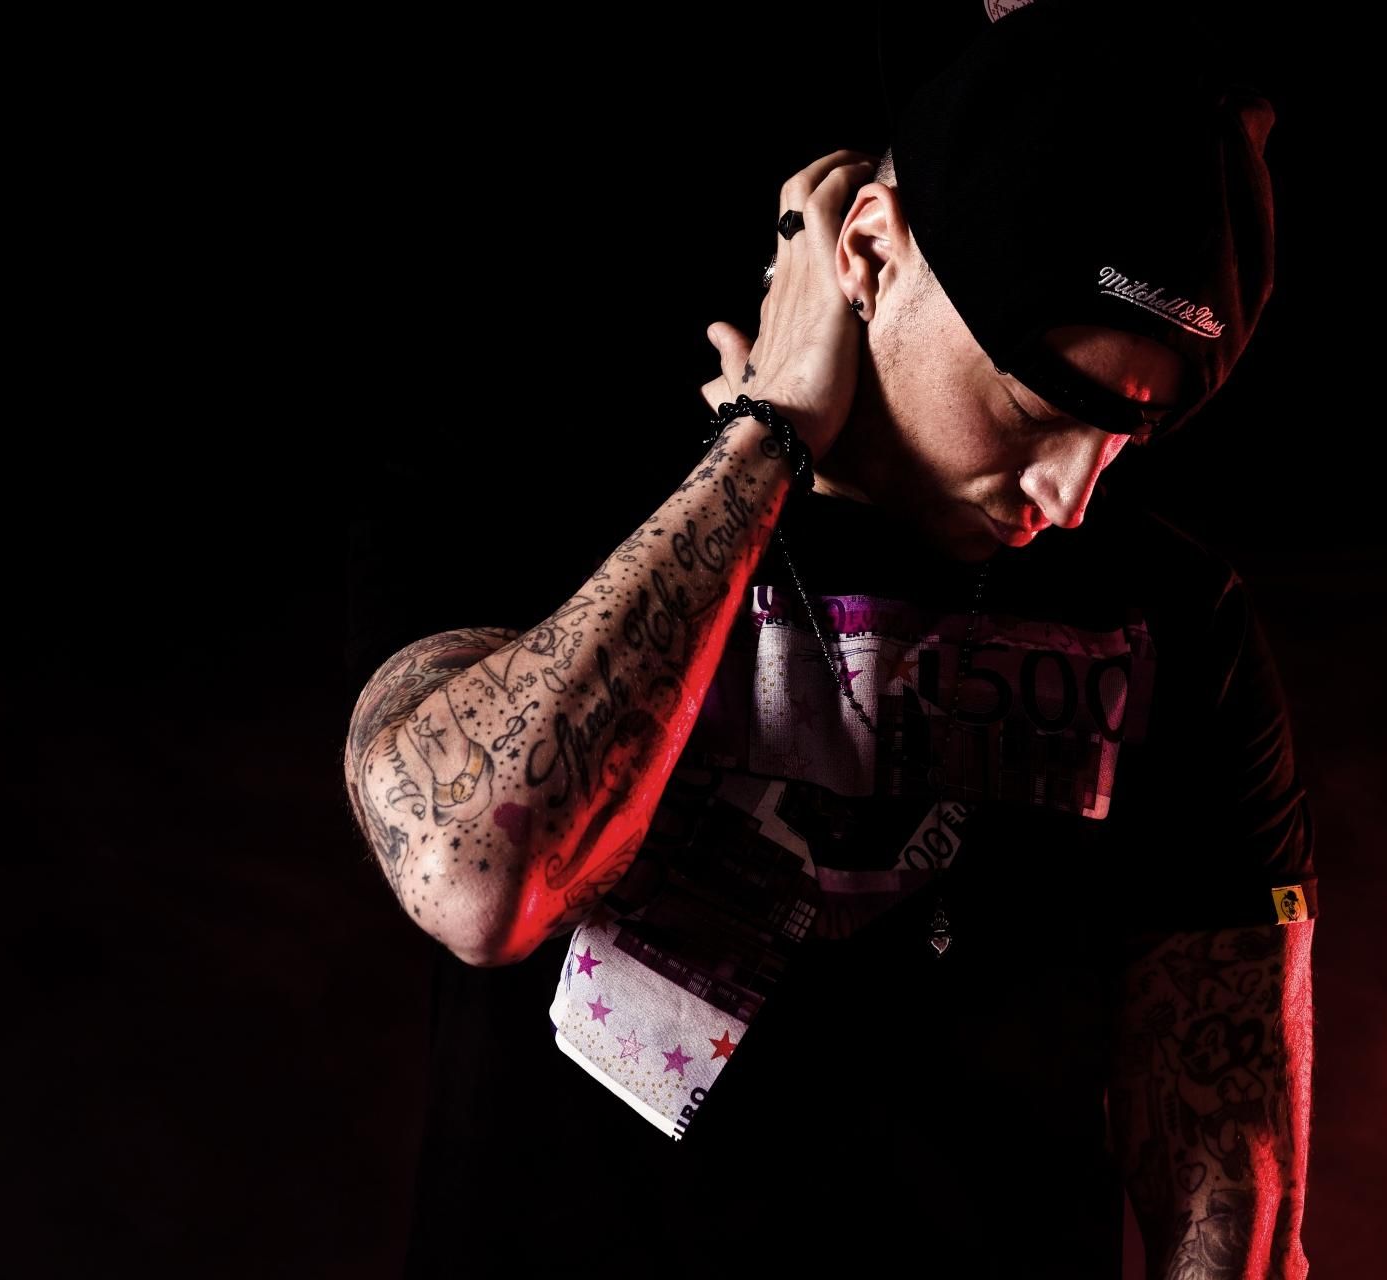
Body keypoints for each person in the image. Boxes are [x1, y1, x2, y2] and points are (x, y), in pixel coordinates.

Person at [341, 2, 1316, 1275]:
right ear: (867, 249)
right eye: (1040, 407)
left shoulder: (1178, 615)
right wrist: (768, 438)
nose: (1073, 494)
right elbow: (476, 879)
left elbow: (1230, 1172)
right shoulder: (543, 483)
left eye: (1128, 433)